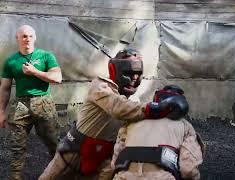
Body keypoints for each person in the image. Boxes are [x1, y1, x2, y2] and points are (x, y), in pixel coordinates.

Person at [39, 48, 182, 180]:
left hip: (104, 157)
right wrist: (157, 108)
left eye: (138, 74)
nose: (134, 78)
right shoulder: (100, 87)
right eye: (130, 73)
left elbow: (134, 126)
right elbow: (119, 108)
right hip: (74, 152)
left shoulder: (133, 101)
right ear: (114, 70)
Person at [0, 25, 62, 180]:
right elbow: (5, 88)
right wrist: (1, 111)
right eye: (23, 36)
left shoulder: (46, 56)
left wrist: (35, 72)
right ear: (17, 39)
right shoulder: (11, 61)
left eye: (30, 36)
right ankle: (15, 177)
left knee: (54, 142)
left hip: (43, 102)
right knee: (16, 145)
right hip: (20, 105)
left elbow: (57, 78)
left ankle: (59, 175)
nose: (27, 39)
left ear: (35, 38)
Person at [111, 85, 204, 180]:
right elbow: (188, 169)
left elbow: (115, 161)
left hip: (124, 176)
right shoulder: (185, 126)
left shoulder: (132, 122)